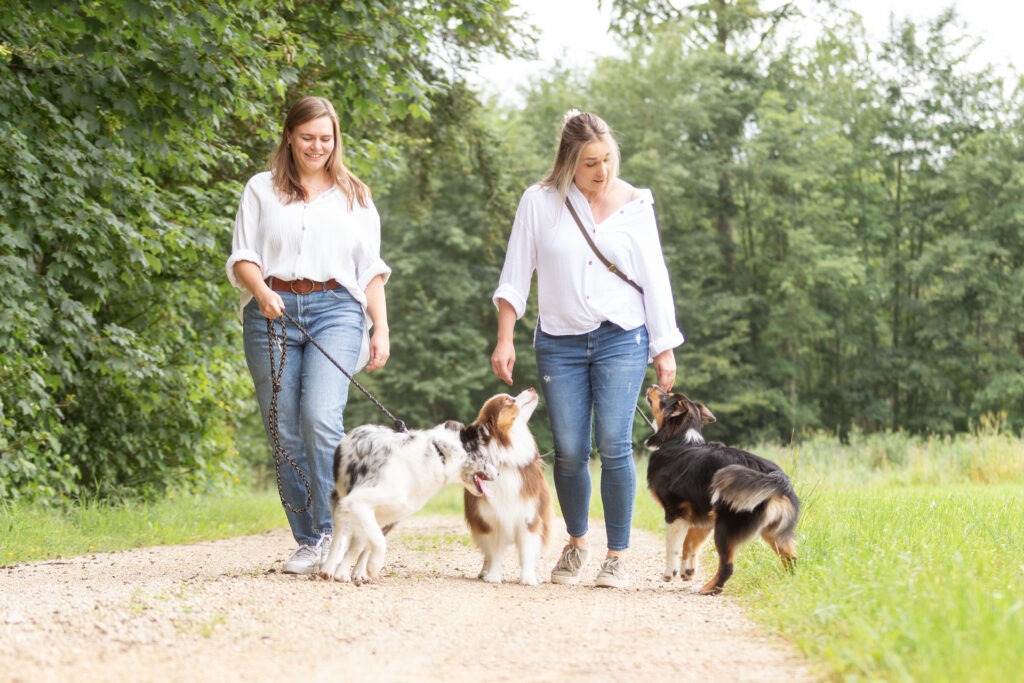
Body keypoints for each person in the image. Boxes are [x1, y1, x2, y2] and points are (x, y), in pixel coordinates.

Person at [490, 109, 683, 589]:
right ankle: (577, 544)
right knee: (572, 450)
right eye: (590, 163)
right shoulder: (539, 202)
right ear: (568, 162)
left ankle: (617, 556)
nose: (603, 172)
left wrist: (664, 348)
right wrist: (505, 336)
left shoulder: (636, 203)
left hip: (623, 336)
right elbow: (516, 274)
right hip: (559, 340)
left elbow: (655, 279)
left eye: (608, 160)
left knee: (614, 444)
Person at [226, 96, 391, 575]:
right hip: (270, 310)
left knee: (320, 417)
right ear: (289, 137)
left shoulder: (355, 196)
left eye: (326, 138)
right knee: (283, 427)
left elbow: (371, 271)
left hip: (337, 308)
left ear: (335, 139)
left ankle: (336, 527)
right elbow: (242, 255)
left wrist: (380, 327)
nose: (316, 146)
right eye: (307, 137)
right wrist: (260, 290)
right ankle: (311, 538)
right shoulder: (261, 189)